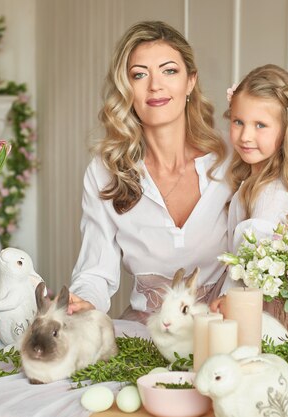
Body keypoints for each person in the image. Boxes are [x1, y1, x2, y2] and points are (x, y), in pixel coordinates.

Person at [68, 21, 231, 322]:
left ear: (190, 81)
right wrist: (84, 304)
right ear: (126, 88)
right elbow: (95, 272)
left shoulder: (229, 162)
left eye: (169, 71)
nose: (155, 85)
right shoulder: (105, 173)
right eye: (139, 75)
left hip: (222, 333)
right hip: (146, 336)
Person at [211, 64, 288, 315]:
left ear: (287, 130)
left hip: (265, 313)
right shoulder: (257, 182)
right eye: (238, 121)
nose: (245, 135)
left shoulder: (271, 194)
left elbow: (252, 274)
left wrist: (226, 300)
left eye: (260, 125)